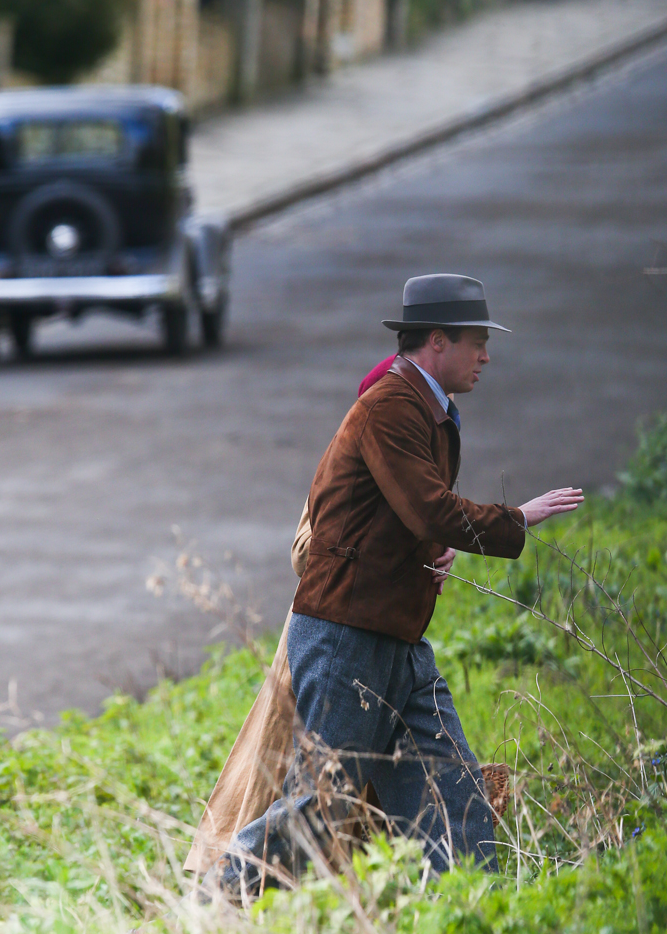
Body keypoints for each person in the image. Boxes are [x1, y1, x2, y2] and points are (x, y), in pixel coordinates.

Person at [188, 274, 582, 895]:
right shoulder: (391, 406)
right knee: (320, 810)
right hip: (348, 638)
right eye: (476, 341)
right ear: (435, 341)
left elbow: (401, 513)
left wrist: (436, 544)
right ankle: (216, 897)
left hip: (394, 638)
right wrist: (515, 518)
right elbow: (427, 506)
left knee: (452, 800)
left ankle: (471, 907)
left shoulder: (430, 410)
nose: (486, 356)